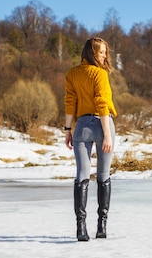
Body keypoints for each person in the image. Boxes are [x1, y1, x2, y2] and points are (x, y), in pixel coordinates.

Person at [64, 37, 117, 241]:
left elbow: (71, 102)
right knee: (103, 176)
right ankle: (101, 226)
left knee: (82, 176)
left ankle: (81, 228)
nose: (104, 56)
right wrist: (106, 134)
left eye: (105, 52)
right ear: (92, 52)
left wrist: (68, 130)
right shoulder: (100, 74)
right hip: (102, 124)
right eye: (101, 52)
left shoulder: (72, 73)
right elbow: (102, 104)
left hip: (82, 127)